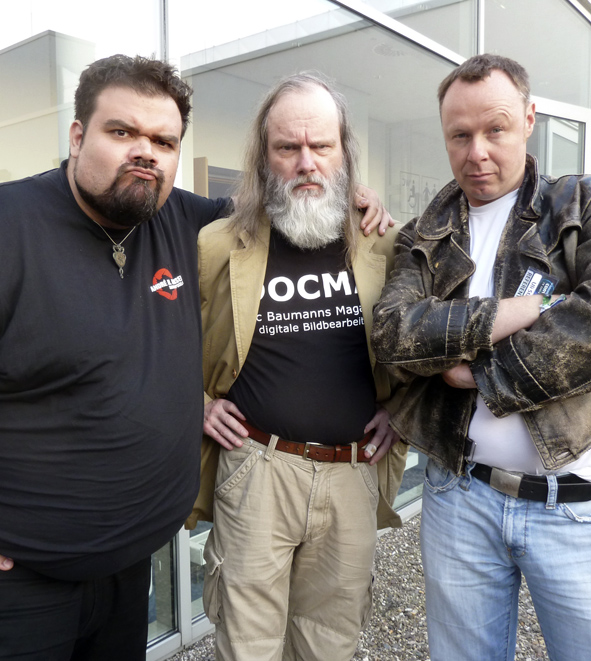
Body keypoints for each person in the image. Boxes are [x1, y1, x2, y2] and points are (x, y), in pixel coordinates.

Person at [0, 55, 391, 661]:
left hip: (133, 558)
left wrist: (352, 192)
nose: (144, 153)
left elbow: (290, 205)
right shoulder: (15, 225)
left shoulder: (185, 220)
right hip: (25, 574)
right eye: (121, 131)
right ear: (77, 136)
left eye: (163, 141)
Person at [371, 53, 591, 661]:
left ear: (529, 119)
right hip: (459, 496)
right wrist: (519, 311)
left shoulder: (578, 206)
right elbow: (392, 334)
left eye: (496, 129)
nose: (478, 153)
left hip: (574, 505)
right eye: (460, 135)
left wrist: (478, 371)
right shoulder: (424, 234)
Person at [185, 72, 408, 661]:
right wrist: (195, 403)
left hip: (354, 473)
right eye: (288, 147)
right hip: (256, 472)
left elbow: (423, 348)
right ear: (264, 157)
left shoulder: (386, 244)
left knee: (329, 643)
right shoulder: (216, 245)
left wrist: (403, 411)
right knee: (248, 645)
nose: (306, 162)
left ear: (344, 153)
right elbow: (161, 338)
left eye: (321, 145)